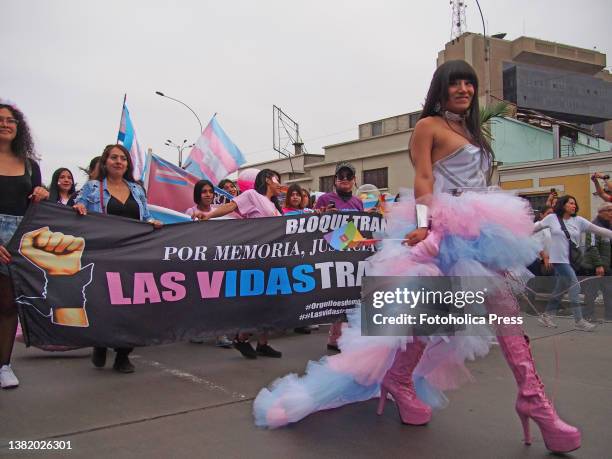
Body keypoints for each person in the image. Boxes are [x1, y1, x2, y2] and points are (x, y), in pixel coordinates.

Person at [254, 60, 584, 454]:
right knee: (431, 315)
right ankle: (401, 379)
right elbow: (424, 179)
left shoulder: (472, 131)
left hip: (480, 229)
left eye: (469, 83)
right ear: (441, 89)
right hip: (445, 228)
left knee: (497, 309)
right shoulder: (428, 126)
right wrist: (427, 225)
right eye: (455, 83)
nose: (463, 89)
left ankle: (530, 397)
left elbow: (478, 182)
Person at [74, 144, 161, 373]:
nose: (119, 162)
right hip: (104, 254)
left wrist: (152, 222)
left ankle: (123, 354)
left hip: (134, 255)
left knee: (133, 303)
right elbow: (79, 206)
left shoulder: (137, 189)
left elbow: (146, 216)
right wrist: (80, 207)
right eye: (114, 158)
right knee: (104, 303)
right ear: (105, 162)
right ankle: (100, 342)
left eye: (123, 158)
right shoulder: (93, 187)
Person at [198, 169, 283, 359]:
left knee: (269, 302)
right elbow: (230, 207)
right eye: (278, 179)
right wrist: (209, 215)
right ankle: (242, 338)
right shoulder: (252, 195)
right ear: (268, 179)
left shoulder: (274, 206)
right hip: (256, 259)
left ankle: (263, 344)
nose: (280, 184)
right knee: (257, 302)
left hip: (273, 260)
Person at [0, 102, 49, 389]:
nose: (4, 124)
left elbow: (36, 205)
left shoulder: (30, 165)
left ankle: (4, 365)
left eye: (10, 120)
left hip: (17, 237)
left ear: (19, 128)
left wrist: (41, 193)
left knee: (8, 304)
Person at [536, 195, 612, 330]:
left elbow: (598, 230)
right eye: (570, 203)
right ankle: (579, 321)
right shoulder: (552, 218)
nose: (574, 205)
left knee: (560, 289)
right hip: (559, 261)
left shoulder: (579, 221)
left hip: (571, 261)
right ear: (562, 204)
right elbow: (535, 228)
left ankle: (546, 315)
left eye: (574, 203)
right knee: (575, 287)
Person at [314, 162, 364, 351]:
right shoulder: (325, 199)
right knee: (337, 296)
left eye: (348, 176)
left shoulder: (358, 202)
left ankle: (350, 338)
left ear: (354, 180)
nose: (344, 179)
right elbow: (311, 225)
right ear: (335, 180)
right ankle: (334, 338)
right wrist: (322, 214)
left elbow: (361, 228)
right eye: (340, 176)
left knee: (353, 296)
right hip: (332, 255)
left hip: (353, 255)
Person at [185, 179, 233, 348]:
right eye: (204, 191)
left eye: (210, 191)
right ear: (197, 194)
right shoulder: (189, 212)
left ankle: (221, 335)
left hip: (217, 262)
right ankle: (196, 331)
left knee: (220, 299)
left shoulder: (218, 213)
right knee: (200, 299)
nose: (208, 195)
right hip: (198, 264)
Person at [578, 202, 612, 322]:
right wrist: (598, 265)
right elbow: (592, 246)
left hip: (606, 266)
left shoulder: (609, 226)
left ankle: (609, 316)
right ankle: (588, 315)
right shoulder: (594, 226)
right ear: (601, 212)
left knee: (609, 291)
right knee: (591, 292)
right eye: (609, 210)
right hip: (594, 266)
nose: (611, 213)